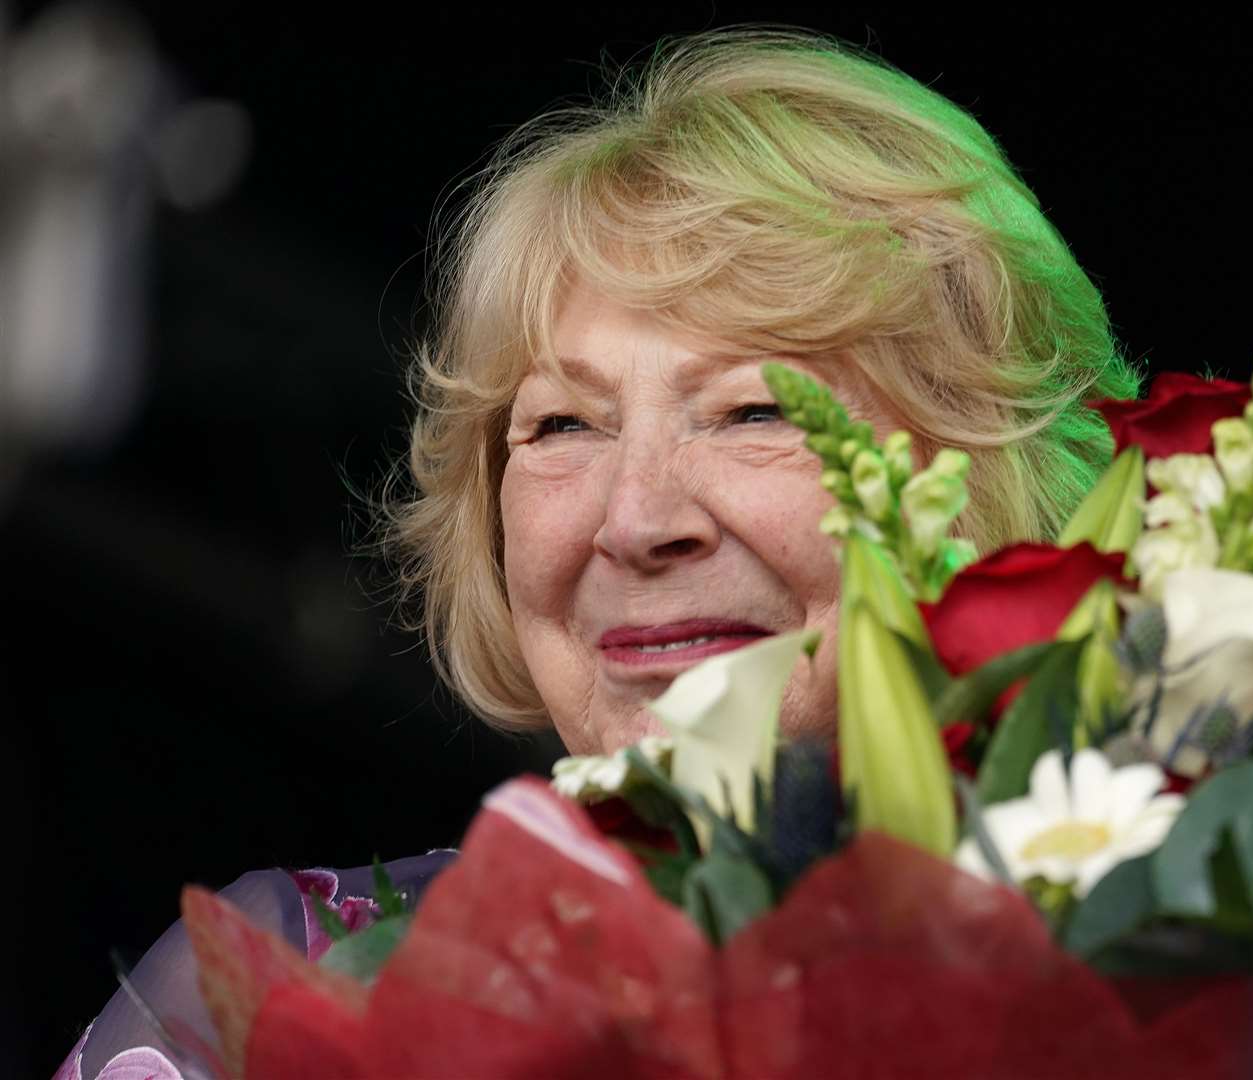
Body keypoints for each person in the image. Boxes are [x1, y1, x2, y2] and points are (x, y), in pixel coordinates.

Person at [56, 27, 1134, 1078]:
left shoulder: (1202, 966)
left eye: (753, 412)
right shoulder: (277, 994)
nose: (633, 519)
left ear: (984, 476)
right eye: (564, 426)